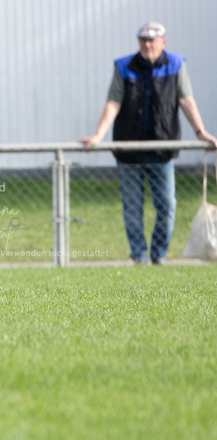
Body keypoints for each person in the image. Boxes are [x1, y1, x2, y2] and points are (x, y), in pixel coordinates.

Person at [81, 22, 217, 265]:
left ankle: (159, 254)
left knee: (167, 205)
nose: (147, 44)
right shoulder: (124, 66)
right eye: (143, 39)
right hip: (128, 150)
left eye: (152, 40)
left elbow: (186, 100)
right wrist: (98, 135)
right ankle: (139, 256)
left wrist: (201, 131)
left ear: (163, 41)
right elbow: (113, 102)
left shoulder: (176, 64)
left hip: (161, 149)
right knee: (133, 207)